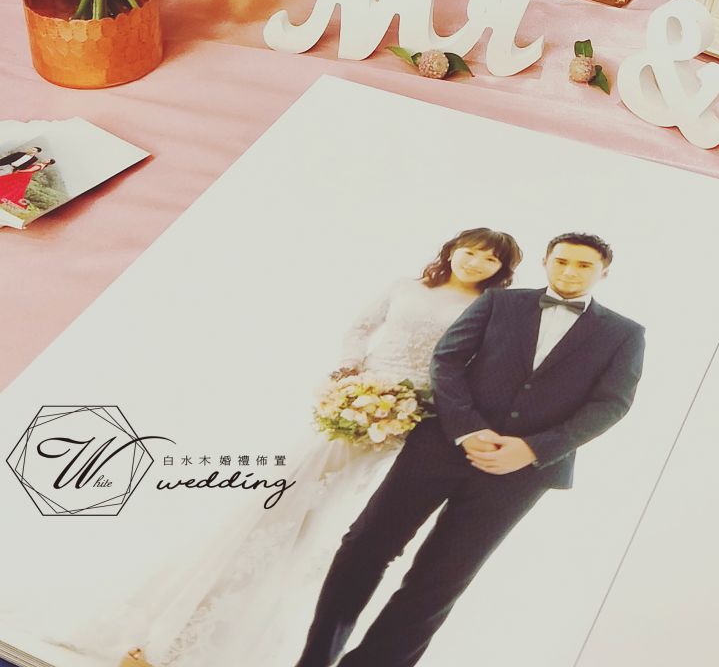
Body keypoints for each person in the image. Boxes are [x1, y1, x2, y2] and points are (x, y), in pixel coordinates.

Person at [148, 228, 523, 667]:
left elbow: (475, 368)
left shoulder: (490, 309)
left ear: (501, 270)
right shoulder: (406, 287)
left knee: (340, 529)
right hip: (352, 408)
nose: (476, 263)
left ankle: (276, 640)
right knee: (283, 506)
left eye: (490, 259)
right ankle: (193, 621)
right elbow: (360, 329)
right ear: (452, 250)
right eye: (471, 251)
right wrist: (350, 375)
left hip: (414, 426)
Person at [296, 232, 645, 667]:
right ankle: (315, 659)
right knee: (364, 546)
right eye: (561, 261)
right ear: (546, 262)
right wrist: (467, 429)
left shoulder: (624, 333)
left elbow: (612, 404)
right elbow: (446, 360)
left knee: (441, 580)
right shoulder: (500, 302)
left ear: (603, 273)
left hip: (521, 473)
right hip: (440, 447)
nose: (570, 271)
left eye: (583, 265)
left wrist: (532, 449)